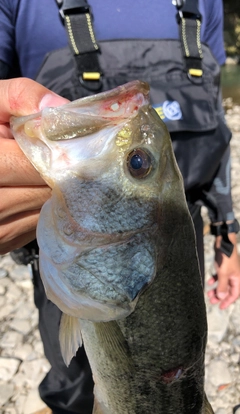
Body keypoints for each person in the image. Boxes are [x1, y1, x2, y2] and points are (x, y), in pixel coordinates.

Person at [0, 1, 240, 413]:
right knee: (72, 385)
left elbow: (215, 122)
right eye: (138, 164)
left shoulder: (204, 3)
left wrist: (226, 227)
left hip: (175, 243)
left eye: (137, 164)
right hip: (78, 250)